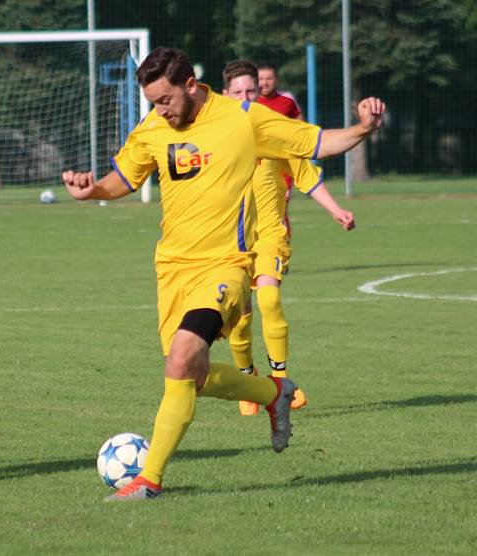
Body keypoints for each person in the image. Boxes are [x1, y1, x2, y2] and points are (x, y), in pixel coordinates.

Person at [61, 47, 384, 501]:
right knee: (190, 376)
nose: (161, 110)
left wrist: (365, 128)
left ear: (191, 85)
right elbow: (124, 178)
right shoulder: (154, 126)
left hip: (226, 267)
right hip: (172, 269)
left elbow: (317, 143)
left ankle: (148, 480)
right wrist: (91, 190)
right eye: (154, 102)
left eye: (166, 99)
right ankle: (273, 393)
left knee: (182, 358)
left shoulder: (244, 118)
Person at [221, 60, 355, 416]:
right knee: (239, 317)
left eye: (252, 91)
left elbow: (306, 176)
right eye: (239, 92)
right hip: (230, 243)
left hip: (270, 235)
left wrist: (335, 209)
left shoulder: (275, 134)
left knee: (268, 299)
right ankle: (247, 384)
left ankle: (281, 384)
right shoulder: (215, 139)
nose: (247, 97)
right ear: (225, 95)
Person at [257, 62, 304, 236]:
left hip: (282, 168)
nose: (265, 83)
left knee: (279, 209)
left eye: (269, 79)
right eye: (261, 79)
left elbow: (300, 126)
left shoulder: (287, 102)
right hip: (255, 166)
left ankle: (281, 254)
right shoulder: (249, 103)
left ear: (276, 80)